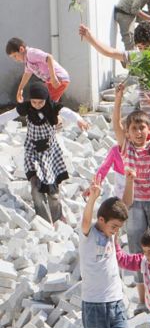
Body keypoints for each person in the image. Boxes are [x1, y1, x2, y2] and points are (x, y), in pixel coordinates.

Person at [111, 82, 150, 309]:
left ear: (148, 130)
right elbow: (116, 125)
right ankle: (143, 300)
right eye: (134, 128)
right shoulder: (126, 148)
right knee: (136, 249)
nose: (138, 132)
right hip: (134, 204)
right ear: (128, 132)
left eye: (142, 128)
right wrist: (118, 100)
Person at [0, 82, 88, 224]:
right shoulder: (27, 107)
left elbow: (67, 112)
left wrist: (79, 119)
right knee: (35, 187)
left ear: (46, 99)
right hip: (32, 151)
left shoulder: (51, 107)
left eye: (40, 102)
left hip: (49, 152)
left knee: (53, 192)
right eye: (34, 101)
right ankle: (44, 221)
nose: (37, 105)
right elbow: (9, 115)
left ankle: (58, 218)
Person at [79, 194, 134, 328]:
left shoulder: (112, 233)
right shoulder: (88, 234)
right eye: (114, 226)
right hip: (93, 307)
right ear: (101, 220)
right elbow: (86, 220)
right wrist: (92, 198)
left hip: (116, 304)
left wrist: (129, 179)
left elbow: (124, 203)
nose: (116, 231)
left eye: (119, 227)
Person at [6, 37, 71, 103]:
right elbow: (27, 74)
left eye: (15, 56)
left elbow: (49, 57)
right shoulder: (27, 62)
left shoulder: (31, 53)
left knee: (43, 102)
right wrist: (20, 89)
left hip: (58, 78)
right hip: (52, 81)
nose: (15, 59)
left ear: (21, 49)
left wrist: (53, 77)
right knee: (44, 101)